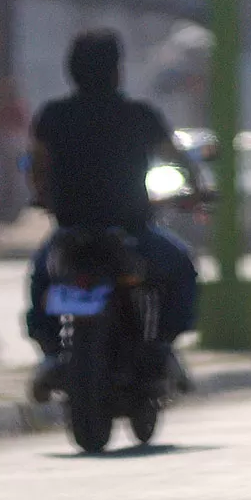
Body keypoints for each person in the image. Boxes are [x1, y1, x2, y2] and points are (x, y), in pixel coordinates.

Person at [24, 29, 202, 401]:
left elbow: (37, 167)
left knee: (42, 278)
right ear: (117, 71)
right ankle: (164, 347)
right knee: (182, 267)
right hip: (133, 232)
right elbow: (178, 159)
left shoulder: (53, 116)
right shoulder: (140, 115)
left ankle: (51, 355)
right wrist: (197, 188)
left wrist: (42, 197)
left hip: (71, 233)